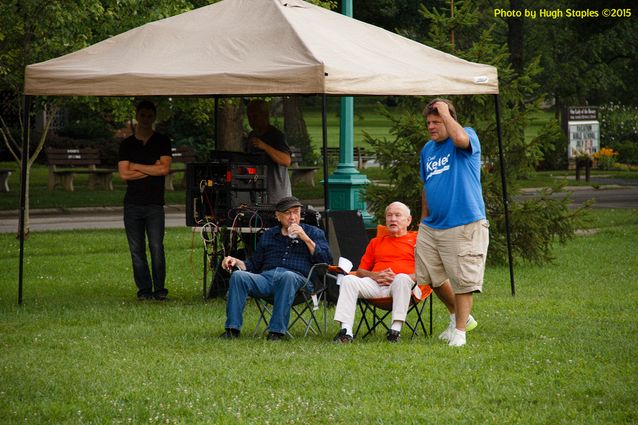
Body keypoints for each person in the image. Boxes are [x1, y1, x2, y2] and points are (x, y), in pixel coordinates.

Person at [415, 98, 489, 347]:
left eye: (436, 121)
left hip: (464, 221)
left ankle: (460, 333)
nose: (431, 127)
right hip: (433, 224)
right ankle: (459, 317)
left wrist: (446, 111)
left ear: (449, 119)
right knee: (429, 276)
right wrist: (424, 219)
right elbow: (427, 185)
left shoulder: (465, 136)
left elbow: (459, 140)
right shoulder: (427, 149)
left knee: (462, 279)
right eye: (428, 122)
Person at [220, 196, 332, 341]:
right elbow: (252, 265)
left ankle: (276, 332)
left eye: (296, 212)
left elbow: (325, 261)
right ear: (278, 216)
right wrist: (235, 261)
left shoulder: (314, 233)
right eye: (288, 213)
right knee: (238, 276)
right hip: (267, 279)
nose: (293, 217)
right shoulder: (269, 235)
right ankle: (232, 330)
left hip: (300, 281)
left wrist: (305, 238)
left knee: (287, 276)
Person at [333, 202, 418, 344]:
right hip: (375, 285)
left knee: (402, 279)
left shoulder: (417, 241)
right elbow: (360, 271)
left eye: (398, 215)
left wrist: (397, 278)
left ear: (408, 220)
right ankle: (346, 332)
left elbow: (426, 273)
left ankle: (395, 331)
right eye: (389, 215)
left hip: (405, 287)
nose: (393, 219)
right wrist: (375, 275)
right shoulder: (376, 242)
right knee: (348, 280)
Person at [118, 100, 172, 301]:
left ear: (154, 117)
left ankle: (159, 290)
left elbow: (164, 169)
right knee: (136, 250)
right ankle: (144, 290)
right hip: (132, 204)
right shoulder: (127, 144)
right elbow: (124, 174)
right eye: (143, 115)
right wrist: (151, 168)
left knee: (157, 247)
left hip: (155, 205)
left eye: (150, 116)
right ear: (137, 116)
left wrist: (136, 166)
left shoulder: (162, 141)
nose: (146, 120)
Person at [245, 99, 292, 204]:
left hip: (277, 195)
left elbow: (286, 160)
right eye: (249, 117)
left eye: (255, 116)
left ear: (265, 115)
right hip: (256, 195)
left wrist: (264, 146)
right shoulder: (251, 136)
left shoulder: (276, 135)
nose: (252, 120)